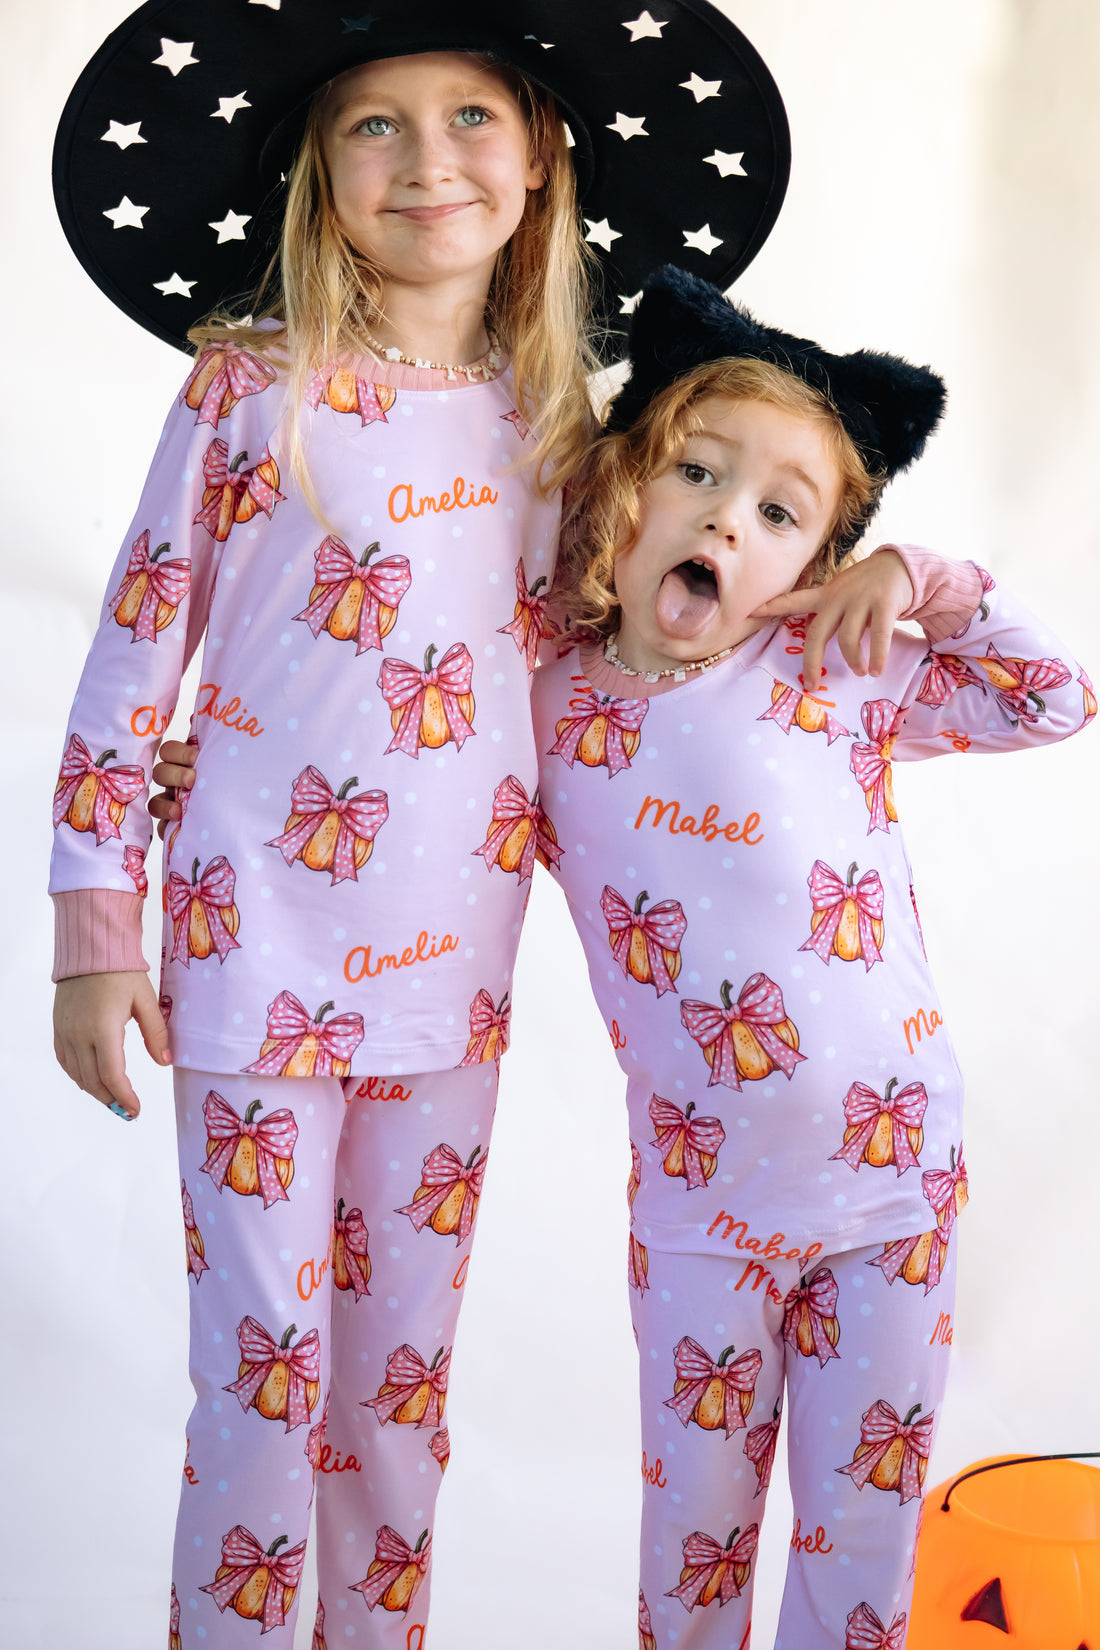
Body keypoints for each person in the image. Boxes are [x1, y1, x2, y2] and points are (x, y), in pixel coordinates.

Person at [47, 6, 792, 1642]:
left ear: (539, 166)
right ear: (319, 169)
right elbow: (132, 660)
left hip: (449, 971)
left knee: (395, 1390)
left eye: (469, 116)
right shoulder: (248, 388)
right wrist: (95, 935)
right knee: (260, 1378)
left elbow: (649, 657)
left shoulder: (576, 441)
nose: (427, 156)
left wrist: (881, 577)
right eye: (374, 123)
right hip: (249, 952)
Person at [529, 265, 1094, 1648]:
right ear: (625, 491)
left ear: (814, 568)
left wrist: (927, 580)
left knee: (863, 1556)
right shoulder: (542, 706)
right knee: (695, 1555)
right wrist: (221, 775)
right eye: (699, 474)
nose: (730, 514)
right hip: (700, 1210)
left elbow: (1058, 696)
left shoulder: (838, 668)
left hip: (891, 1188)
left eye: (781, 511)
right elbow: (405, 802)